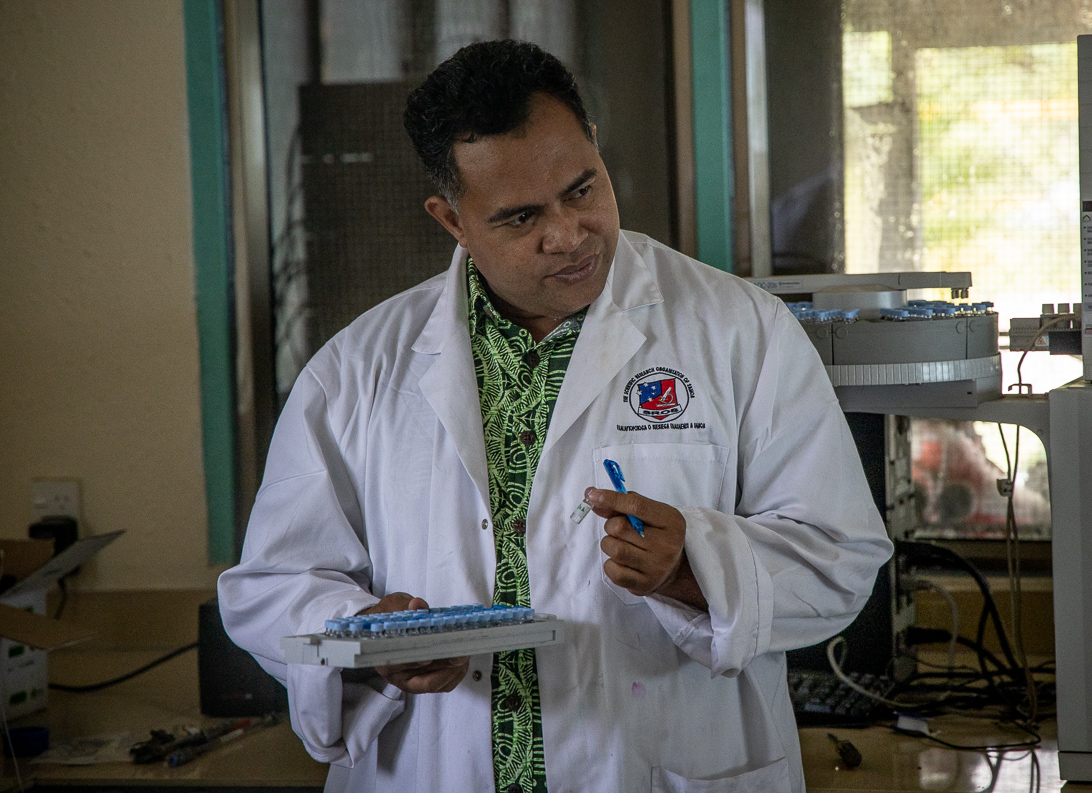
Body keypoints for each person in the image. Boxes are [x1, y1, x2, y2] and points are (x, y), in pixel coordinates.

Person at [219, 39, 892, 793]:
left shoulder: (741, 330)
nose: (568, 234)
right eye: (519, 217)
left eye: (581, 189)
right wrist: (372, 632)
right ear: (453, 220)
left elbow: (841, 555)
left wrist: (693, 569)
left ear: (597, 150)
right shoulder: (358, 369)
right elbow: (271, 585)